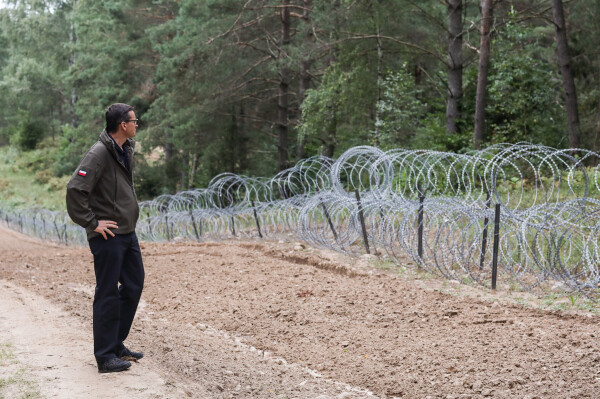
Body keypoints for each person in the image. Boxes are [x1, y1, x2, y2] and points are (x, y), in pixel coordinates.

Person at [66, 103, 145, 373]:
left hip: (127, 232)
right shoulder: (99, 153)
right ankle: (104, 356)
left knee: (133, 286)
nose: (137, 125)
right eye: (135, 121)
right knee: (108, 292)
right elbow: (75, 190)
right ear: (123, 125)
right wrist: (92, 223)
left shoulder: (124, 149)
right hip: (108, 235)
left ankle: (115, 343)